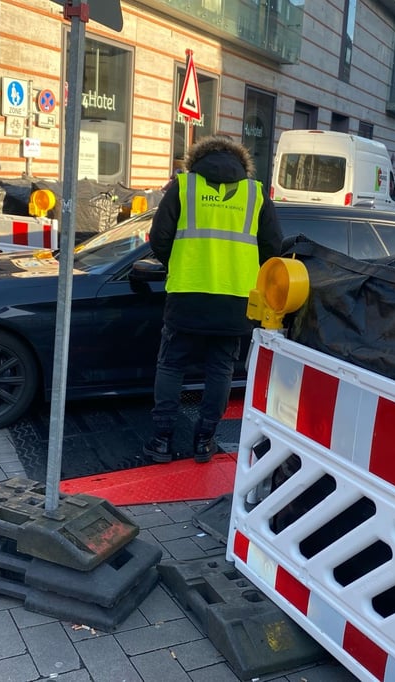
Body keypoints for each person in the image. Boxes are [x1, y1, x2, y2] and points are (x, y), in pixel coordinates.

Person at [145, 135, 283, 464]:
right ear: (241, 163)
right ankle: (205, 440)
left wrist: (180, 262)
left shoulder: (184, 187)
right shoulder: (255, 193)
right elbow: (273, 246)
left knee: (171, 365)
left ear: (196, 159)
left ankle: (162, 440)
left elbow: (159, 239)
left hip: (187, 294)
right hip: (235, 298)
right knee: (220, 370)